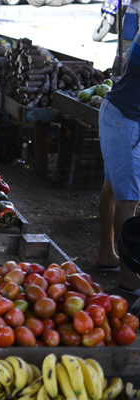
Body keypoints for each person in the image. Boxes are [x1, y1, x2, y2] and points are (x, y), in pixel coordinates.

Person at [96, 32, 140, 295]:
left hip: (118, 112)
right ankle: (128, 278)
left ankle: (106, 254)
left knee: (113, 188)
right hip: (126, 118)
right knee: (128, 198)